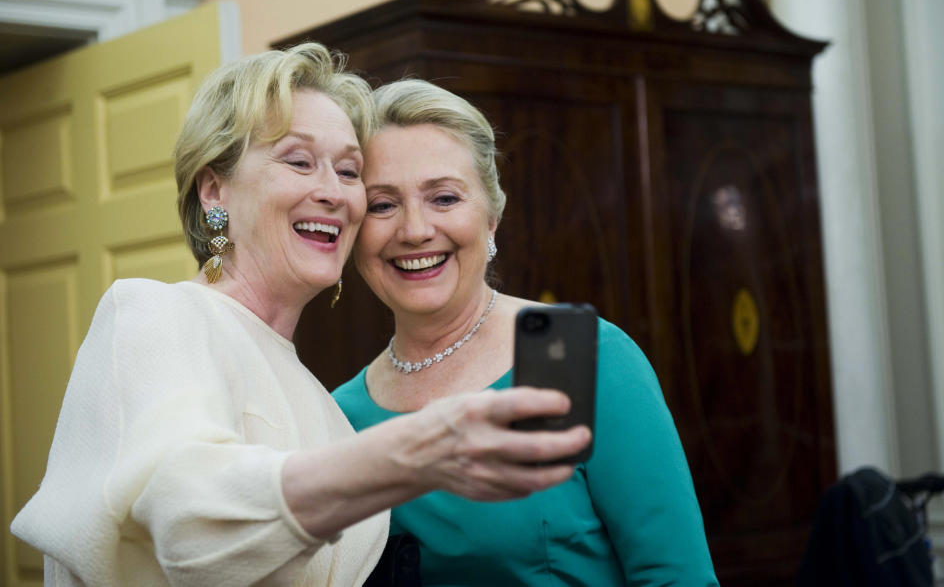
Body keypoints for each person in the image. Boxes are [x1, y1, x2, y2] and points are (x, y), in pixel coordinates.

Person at [10, 44, 591, 587]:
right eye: (299, 161)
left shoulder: (324, 405)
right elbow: (189, 521)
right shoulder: (155, 315)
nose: (334, 192)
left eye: (348, 170)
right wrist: (415, 452)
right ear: (215, 191)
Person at [334, 79, 720, 586]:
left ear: (491, 217)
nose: (414, 230)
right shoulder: (341, 416)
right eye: (383, 205)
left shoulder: (574, 353)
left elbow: (677, 577)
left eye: (444, 198)